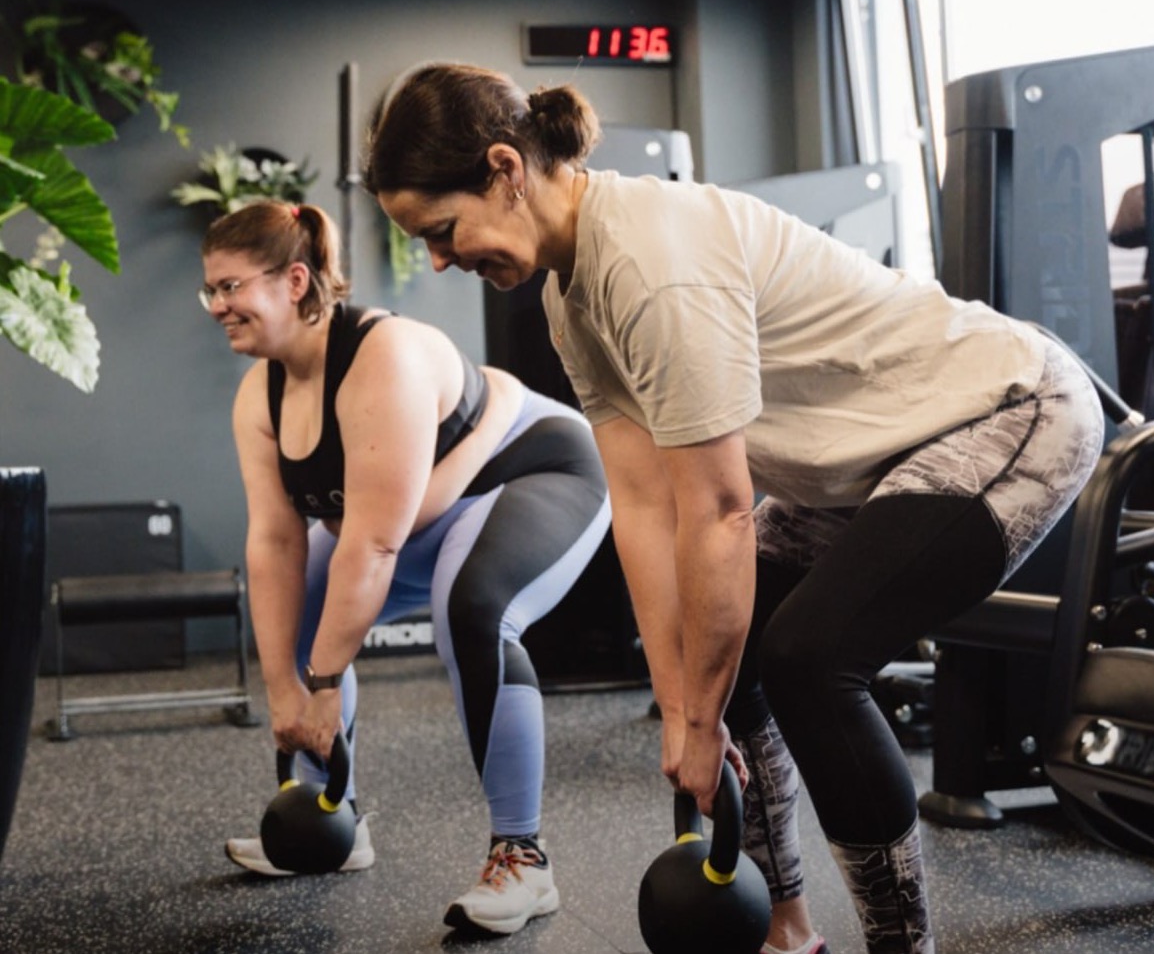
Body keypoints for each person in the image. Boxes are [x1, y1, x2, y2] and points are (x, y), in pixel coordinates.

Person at [362, 63, 1107, 954]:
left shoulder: (653, 263)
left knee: (810, 657)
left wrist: (704, 720)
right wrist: (681, 703)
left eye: (441, 231)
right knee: (739, 648)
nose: (439, 261)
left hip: (1009, 409)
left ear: (504, 170)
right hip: (868, 460)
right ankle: (784, 930)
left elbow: (720, 511)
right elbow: (643, 504)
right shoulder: (570, 295)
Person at [201, 199, 610, 937]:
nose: (218, 306)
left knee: (473, 608)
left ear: (295, 281)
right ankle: (328, 822)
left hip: (533, 473)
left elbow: (372, 545)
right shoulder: (259, 393)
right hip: (416, 517)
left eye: (231, 287)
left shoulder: (378, 356)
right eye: (210, 290)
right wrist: (284, 689)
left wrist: (325, 685)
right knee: (300, 604)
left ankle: (522, 858)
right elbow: (274, 543)